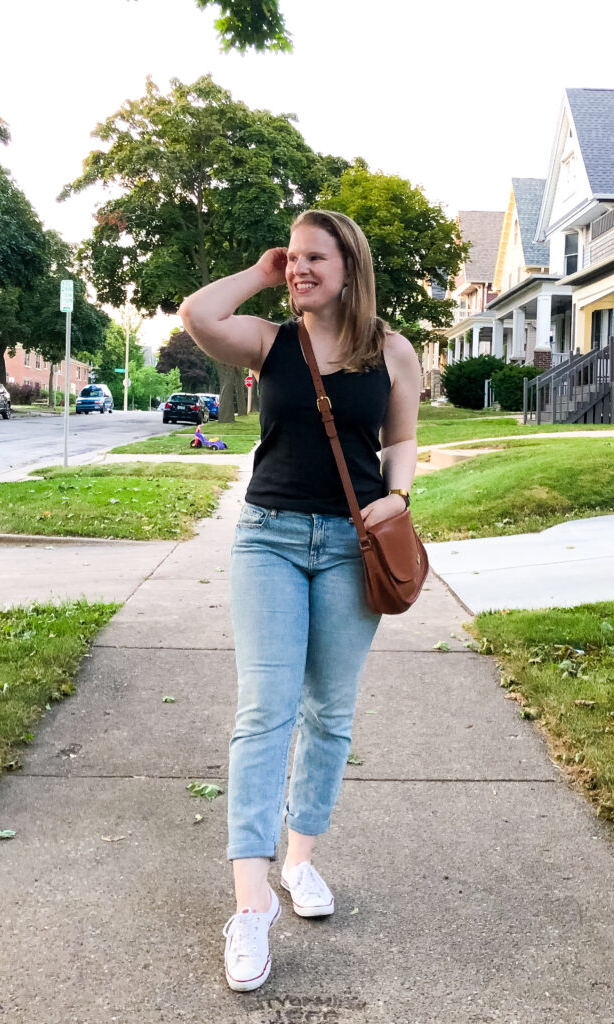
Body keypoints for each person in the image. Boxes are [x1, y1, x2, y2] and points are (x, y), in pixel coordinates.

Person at [178, 209, 420, 992]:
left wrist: (400, 495)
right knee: (264, 711)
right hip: (269, 540)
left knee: (330, 713)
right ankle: (251, 907)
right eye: (297, 259)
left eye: (317, 257)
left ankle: (301, 861)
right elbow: (197, 314)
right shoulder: (270, 341)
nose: (301, 270)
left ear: (352, 264)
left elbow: (401, 441)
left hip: (353, 548)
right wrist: (261, 267)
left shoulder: (393, 351)